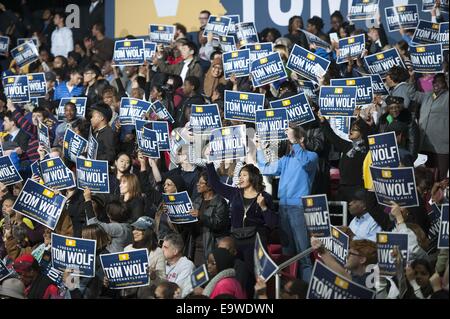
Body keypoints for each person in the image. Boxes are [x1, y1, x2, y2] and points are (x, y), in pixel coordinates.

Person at [257, 125, 318, 282]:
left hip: (299, 208)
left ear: (301, 139)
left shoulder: (311, 156)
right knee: (287, 256)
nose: (289, 142)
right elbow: (266, 169)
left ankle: (305, 290)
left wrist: (293, 139)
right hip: (283, 208)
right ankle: (288, 291)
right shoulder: (286, 159)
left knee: (303, 255)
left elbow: (304, 163)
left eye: (292, 138)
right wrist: (259, 149)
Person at [319, 114, 370, 202]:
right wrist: (324, 122)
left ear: (362, 132)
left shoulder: (367, 148)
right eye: (351, 129)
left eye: (354, 130)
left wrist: (360, 119)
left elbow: (369, 133)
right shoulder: (347, 146)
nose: (350, 131)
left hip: (358, 188)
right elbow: (332, 137)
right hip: (343, 187)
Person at [413, 73, 449, 180]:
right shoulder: (428, 95)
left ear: (445, 83)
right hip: (425, 144)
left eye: (439, 81)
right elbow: (412, 95)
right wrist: (411, 77)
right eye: (434, 81)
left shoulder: (447, 96)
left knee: (441, 178)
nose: (436, 84)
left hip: (441, 146)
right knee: (427, 176)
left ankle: (442, 197)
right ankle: (429, 196)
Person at [190, 170, 230, 264]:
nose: (197, 184)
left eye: (201, 183)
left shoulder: (220, 202)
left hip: (210, 246)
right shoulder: (197, 200)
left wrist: (201, 216)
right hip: (196, 246)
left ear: (209, 185)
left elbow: (219, 224)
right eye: (198, 182)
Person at [121, 216, 166, 298]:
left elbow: (162, 281)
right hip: (127, 294)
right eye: (134, 228)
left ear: (148, 232)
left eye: (139, 229)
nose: (134, 232)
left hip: (146, 294)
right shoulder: (127, 248)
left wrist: (153, 275)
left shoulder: (157, 251)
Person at [311, 237, 378, 290]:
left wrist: (323, 252)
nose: (346, 256)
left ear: (362, 259)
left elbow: (347, 279)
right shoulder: (354, 273)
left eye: (351, 254)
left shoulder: (371, 280)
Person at [377, 96, 419, 160]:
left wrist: (409, 159)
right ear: (388, 109)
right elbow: (379, 137)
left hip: (403, 155)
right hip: (387, 156)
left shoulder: (408, 121)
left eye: (397, 107)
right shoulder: (383, 121)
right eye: (391, 108)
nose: (394, 110)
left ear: (401, 108)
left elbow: (413, 142)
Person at [162, 233, 195, 298]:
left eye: (165, 247)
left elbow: (177, 291)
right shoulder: (162, 262)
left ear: (175, 251)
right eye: (162, 246)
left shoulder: (186, 265)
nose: (161, 249)